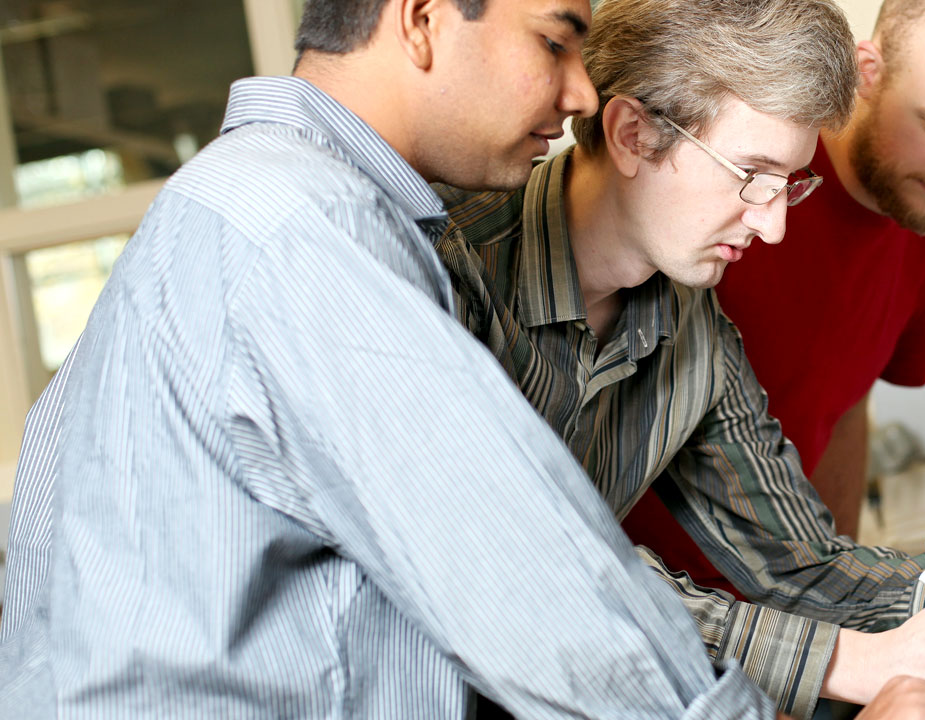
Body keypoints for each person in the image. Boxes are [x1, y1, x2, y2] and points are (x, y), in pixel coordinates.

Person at [0, 0, 787, 717]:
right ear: (419, 20)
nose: (581, 92)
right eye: (552, 42)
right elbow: (522, 579)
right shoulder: (311, 228)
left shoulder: (229, 205)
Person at [432, 0, 925, 718]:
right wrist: (853, 662)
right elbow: (548, 575)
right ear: (631, 134)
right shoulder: (444, 270)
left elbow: (797, 559)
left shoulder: (689, 317)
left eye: (791, 183)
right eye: (753, 174)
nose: (775, 226)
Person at [624, 0, 925, 586]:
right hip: (640, 595)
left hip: (776, 600)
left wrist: (835, 582)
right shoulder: (746, 186)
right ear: (866, 73)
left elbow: (845, 411)